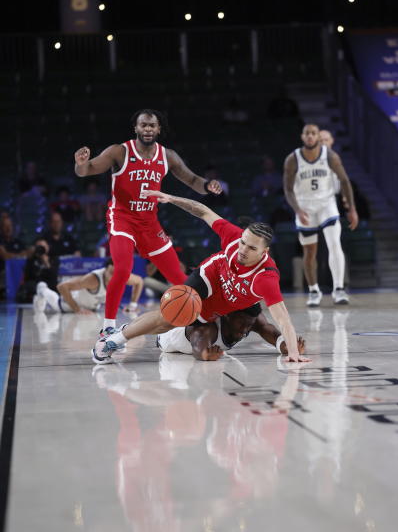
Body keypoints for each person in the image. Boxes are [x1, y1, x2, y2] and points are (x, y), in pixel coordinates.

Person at [92, 189, 311, 364]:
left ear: (265, 253)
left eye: (251, 248)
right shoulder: (234, 238)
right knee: (169, 317)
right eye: (243, 242)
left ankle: (125, 331)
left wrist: (292, 351)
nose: (243, 249)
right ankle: (113, 341)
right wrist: (171, 198)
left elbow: (282, 317)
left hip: (228, 301)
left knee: (250, 321)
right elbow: (204, 211)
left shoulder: (265, 278)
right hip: (210, 278)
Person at [74, 108, 222, 338]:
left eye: (152, 125)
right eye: (143, 125)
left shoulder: (167, 156)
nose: (148, 129)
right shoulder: (119, 151)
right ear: (136, 128)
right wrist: (81, 164)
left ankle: (205, 319)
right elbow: (88, 170)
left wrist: (207, 185)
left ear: (158, 129)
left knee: (180, 279)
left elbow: (191, 179)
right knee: (122, 269)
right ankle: (108, 326)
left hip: (149, 222)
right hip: (122, 218)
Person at [283, 123, 359, 307]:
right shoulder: (293, 158)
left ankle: (339, 289)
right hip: (305, 207)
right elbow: (287, 188)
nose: (310, 136)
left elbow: (345, 181)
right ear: (302, 136)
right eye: (307, 133)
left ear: (318, 137)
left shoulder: (330, 156)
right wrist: (297, 210)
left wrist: (352, 209)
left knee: (335, 245)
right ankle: (314, 290)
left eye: (313, 133)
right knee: (309, 253)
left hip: (327, 205)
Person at [157, 304, 305, 361]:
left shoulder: (249, 319)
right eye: (241, 323)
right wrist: (205, 355)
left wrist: (284, 345)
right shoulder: (208, 328)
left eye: (249, 325)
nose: (245, 329)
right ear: (227, 315)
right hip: (169, 338)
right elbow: (197, 345)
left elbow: (267, 329)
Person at [33, 258, 143, 315]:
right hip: (68, 305)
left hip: (91, 309)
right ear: (105, 270)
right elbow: (62, 287)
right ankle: (42, 288)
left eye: (117, 273)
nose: (114, 276)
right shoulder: (93, 279)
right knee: (54, 300)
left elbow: (139, 282)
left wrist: (132, 305)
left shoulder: (123, 276)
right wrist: (77, 309)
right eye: (111, 273)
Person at [17, 237, 59, 303]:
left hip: (49, 285)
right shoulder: (31, 259)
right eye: (39, 247)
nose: (41, 249)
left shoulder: (54, 259)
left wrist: (47, 263)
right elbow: (27, 277)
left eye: (43, 246)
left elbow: (54, 276)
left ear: (47, 247)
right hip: (35, 286)